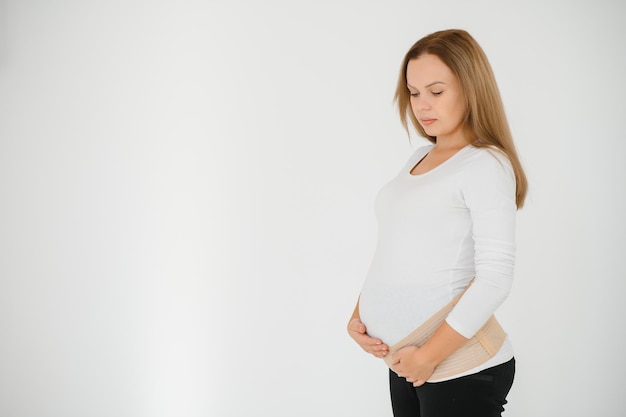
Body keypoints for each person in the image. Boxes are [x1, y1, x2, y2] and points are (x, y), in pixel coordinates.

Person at [347, 29, 527, 417]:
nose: (422, 105)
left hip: (457, 367)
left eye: (436, 91)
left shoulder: (485, 164)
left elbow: (496, 277)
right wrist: (359, 315)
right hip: (407, 362)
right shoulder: (417, 157)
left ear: (470, 88)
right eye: (414, 93)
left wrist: (428, 356)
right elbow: (395, 247)